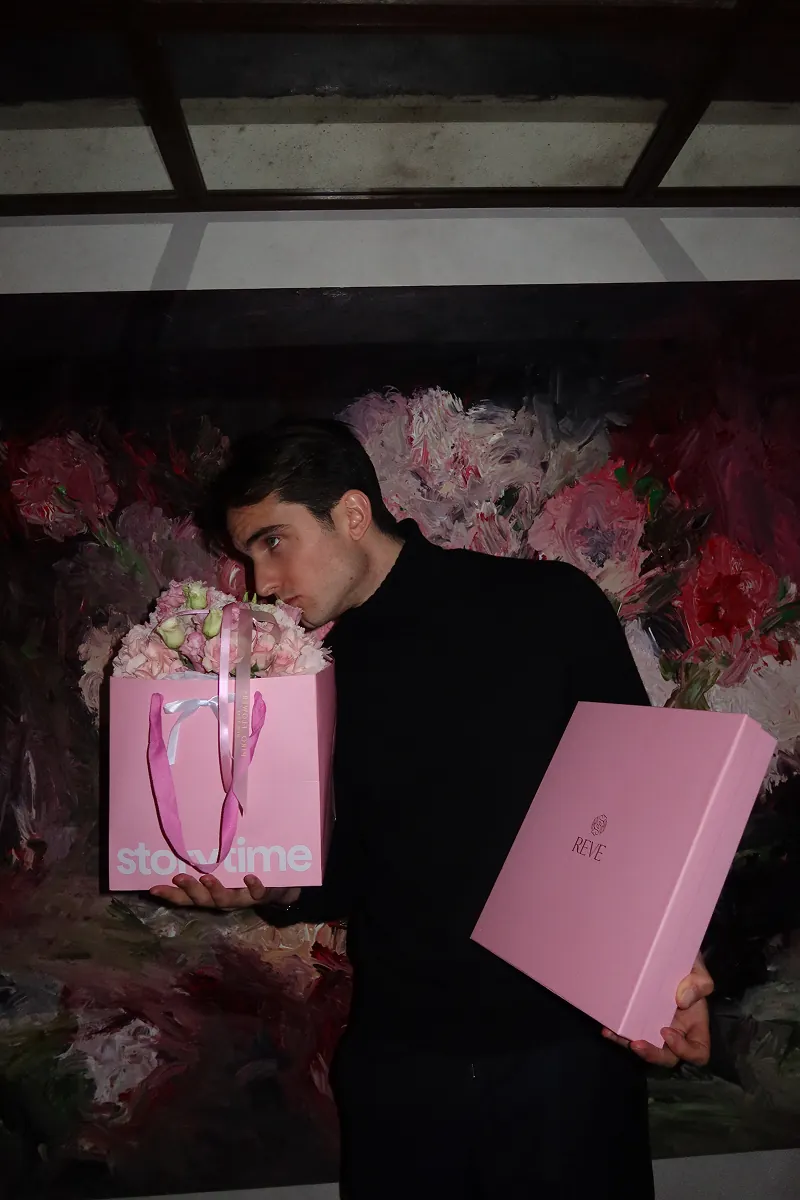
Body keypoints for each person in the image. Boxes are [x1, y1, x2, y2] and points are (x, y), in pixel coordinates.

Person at [152, 418, 714, 1199]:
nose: (261, 584)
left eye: (273, 542)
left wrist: (672, 963)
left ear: (351, 514)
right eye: (249, 556)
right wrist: (269, 887)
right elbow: (345, 869)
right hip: (402, 1065)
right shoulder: (310, 678)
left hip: (563, 1058)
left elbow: (648, 800)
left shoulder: (547, 606)